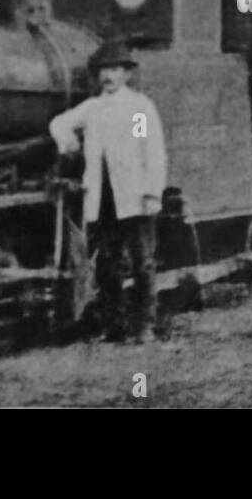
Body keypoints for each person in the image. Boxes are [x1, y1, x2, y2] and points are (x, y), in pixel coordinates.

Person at [49, 40, 167, 342]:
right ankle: (114, 326)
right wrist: (69, 142)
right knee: (107, 266)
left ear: (126, 74)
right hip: (103, 199)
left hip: (135, 195)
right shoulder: (93, 108)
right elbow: (58, 124)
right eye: (103, 70)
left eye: (115, 69)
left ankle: (144, 325)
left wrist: (153, 192)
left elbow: (151, 151)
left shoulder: (139, 109)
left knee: (142, 264)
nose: (108, 76)